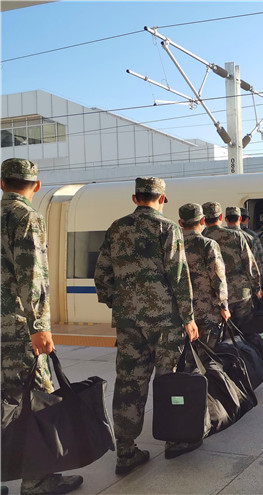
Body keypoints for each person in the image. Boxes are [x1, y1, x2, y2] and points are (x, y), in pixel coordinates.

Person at [94, 177, 201, 475]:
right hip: (165, 322)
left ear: (135, 198)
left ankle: (126, 451)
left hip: (128, 322)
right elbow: (179, 276)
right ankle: (175, 439)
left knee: (129, 382)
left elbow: (101, 274)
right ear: (162, 199)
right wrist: (188, 318)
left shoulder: (117, 228)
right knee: (170, 380)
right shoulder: (168, 228)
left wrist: (119, 304)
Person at [1, 158, 84, 495]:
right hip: (16, 329)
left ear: (2, 183)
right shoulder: (26, 217)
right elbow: (32, 274)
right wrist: (39, 326)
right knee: (37, 398)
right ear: (36, 185)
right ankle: (37, 480)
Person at [178, 203, 230, 345]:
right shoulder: (208, 244)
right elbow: (218, 277)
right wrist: (224, 306)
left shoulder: (173, 245)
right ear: (202, 220)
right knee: (208, 354)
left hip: (181, 315)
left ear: (180, 223)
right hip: (207, 312)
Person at [202, 203, 262, 327]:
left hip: (213, 297)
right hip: (240, 293)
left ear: (203, 219)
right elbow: (250, 264)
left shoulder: (201, 239)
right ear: (220, 217)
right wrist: (257, 287)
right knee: (245, 331)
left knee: (221, 333)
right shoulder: (236, 236)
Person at [240, 208, 263, 284]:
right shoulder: (252, 235)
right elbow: (259, 257)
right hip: (249, 278)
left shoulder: (225, 234)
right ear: (247, 219)